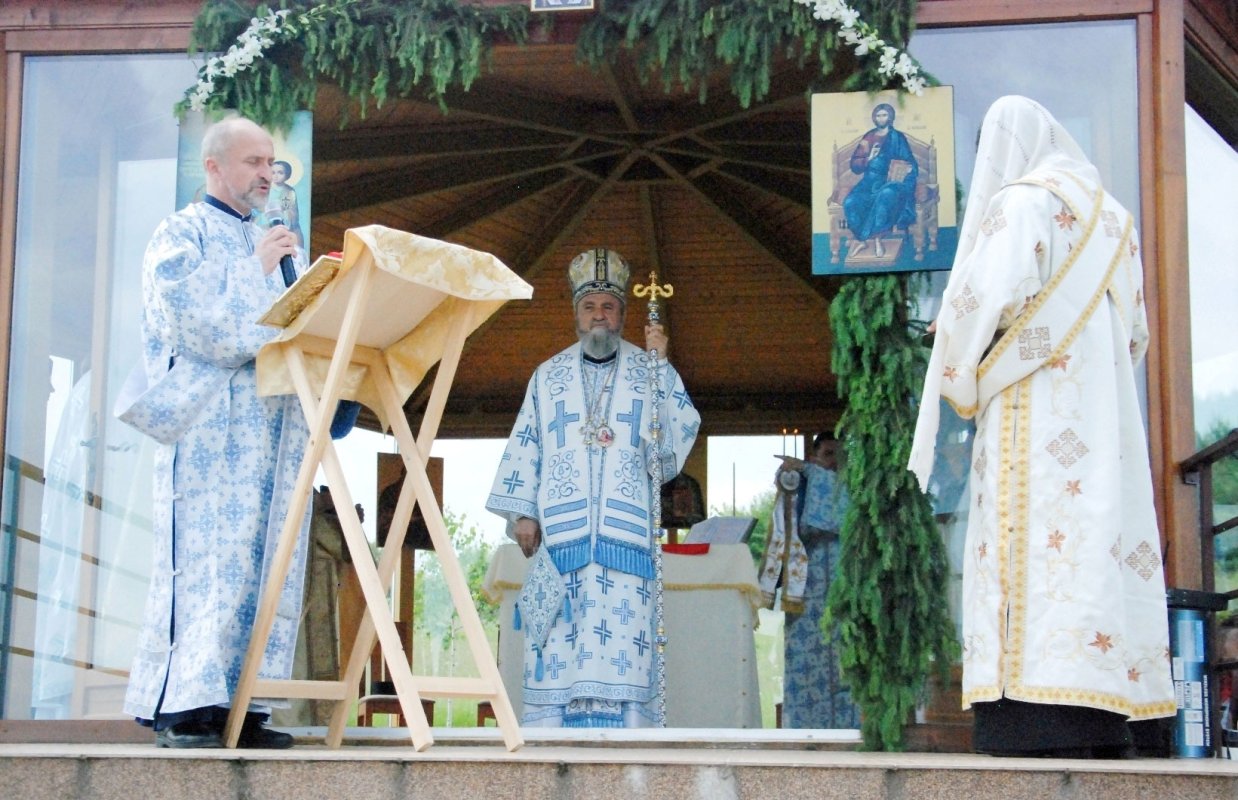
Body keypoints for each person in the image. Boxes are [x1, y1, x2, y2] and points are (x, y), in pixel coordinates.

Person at [908, 96, 1175, 757]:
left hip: (1033, 421)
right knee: (1096, 551)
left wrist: (954, 355)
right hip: (1106, 429)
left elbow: (976, 307)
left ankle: (1034, 715)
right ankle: (1113, 714)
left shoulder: (1019, 204)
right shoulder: (1116, 221)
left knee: (1031, 551)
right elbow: (1136, 333)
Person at [117, 115, 309, 749]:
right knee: (209, 565)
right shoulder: (180, 233)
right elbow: (191, 322)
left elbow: (294, 329)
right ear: (214, 167)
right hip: (207, 437)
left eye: (270, 162)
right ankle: (185, 707)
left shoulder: (276, 242)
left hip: (269, 433)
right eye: (253, 162)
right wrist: (254, 269)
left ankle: (242, 705)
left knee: (262, 568)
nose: (266, 174)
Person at [485, 247, 700, 728]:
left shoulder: (649, 369)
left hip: (624, 539)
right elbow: (527, 443)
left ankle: (627, 752)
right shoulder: (548, 376)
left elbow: (667, 451)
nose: (598, 315)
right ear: (576, 314)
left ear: (622, 314)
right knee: (558, 651)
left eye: (608, 306)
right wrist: (523, 513)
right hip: (561, 539)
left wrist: (661, 366)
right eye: (589, 307)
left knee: (622, 648)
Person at [759, 433, 859, 729]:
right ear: (815, 454)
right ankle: (804, 729)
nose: (834, 463)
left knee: (845, 659)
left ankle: (849, 729)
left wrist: (810, 471)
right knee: (806, 661)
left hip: (844, 584)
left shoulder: (851, 485)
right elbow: (801, 522)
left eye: (840, 456)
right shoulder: (801, 483)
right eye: (828, 454)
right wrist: (797, 477)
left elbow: (840, 515)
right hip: (807, 588)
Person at [843, 102, 919, 260]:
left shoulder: (897, 137)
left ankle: (877, 240)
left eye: (884, 115)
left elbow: (909, 160)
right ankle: (861, 239)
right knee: (851, 201)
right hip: (869, 181)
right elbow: (855, 165)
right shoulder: (868, 138)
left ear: (890, 117)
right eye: (878, 115)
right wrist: (868, 158)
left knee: (885, 196)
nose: (881, 118)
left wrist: (908, 168)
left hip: (892, 181)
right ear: (874, 118)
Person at [268, 159, 304, 248]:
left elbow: (292, 212)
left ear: (287, 175)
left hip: (285, 222)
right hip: (267, 223)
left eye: (280, 173)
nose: (276, 176)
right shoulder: (266, 189)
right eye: (273, 173)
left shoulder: (289, 191)